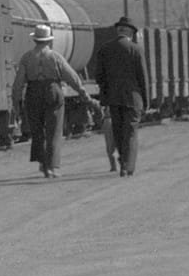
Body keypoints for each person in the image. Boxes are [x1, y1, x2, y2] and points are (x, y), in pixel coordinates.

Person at [8, 24, 94, 178]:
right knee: (54, 130)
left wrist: (16, 101)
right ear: (48, 41)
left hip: (33, 93)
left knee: (37, 130)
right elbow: (71, 77)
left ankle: (42, 163)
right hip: (52, 91)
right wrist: (83, 93)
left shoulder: (27, 58)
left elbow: (18, 82)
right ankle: (52, 167)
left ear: (35, 40)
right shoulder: (55, 57)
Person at [93, 18, 148, 176]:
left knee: (118, 130)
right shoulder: (136, 49)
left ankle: (123, 161)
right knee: (130, 131)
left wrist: (105, 95)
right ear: (131, 32)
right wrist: (146, 100)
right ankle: (127, 166)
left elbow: (99, 76)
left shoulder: (105, 49)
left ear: (118, 31)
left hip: (113, 98)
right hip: (133, 98)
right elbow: (142, 77)